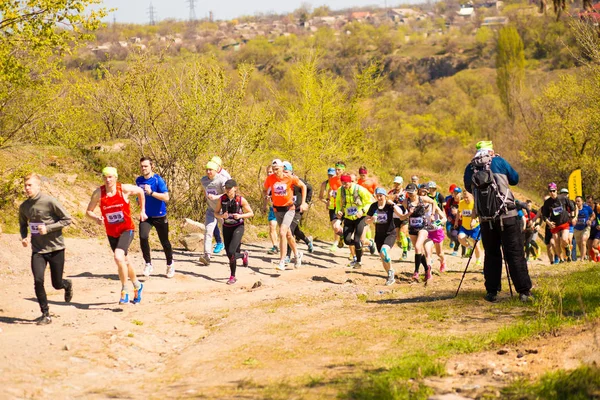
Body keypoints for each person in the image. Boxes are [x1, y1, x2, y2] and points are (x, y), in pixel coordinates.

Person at [463, 140, 533, 303]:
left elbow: (468, 187)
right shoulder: (499, 161)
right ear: (491, 151)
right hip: (507, 215)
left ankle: (492, 292)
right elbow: (515, 179)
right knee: (515, 253)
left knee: (491, 255)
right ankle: (524, 292)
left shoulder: (470, 168)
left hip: (486, 219)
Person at [86, 167, 147, 305]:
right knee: (124, 261)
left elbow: (140, 191)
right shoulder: (98, 193)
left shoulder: (123, 189)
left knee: (118, 256)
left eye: (110, 177)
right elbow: (88, 211)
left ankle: (125, 290)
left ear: (116, 177)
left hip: (126, 229)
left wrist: (143, 211)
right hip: (111, 232)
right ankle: (137, 285)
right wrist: (96, 218)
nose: (108, 180)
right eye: (105, 177)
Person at [19, 173, 73, 325]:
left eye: (30, 185)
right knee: (38, 280)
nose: (27, 188)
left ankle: (66, 284)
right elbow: (23, 225)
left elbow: (67, 219)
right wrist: (24, 237)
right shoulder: (24, 206)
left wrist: (48, 228)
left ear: (38, 186)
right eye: (25, 185)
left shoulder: (49, 201)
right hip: (38, 250)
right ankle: (45, 314)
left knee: (56, 284)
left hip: (56, 248)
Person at [264, 159, 308, 271]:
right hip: (277, 210)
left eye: (277, 169)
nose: (275, 171)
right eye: (273, 169)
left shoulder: (290, 178)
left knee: (282, 232)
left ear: (282, 168)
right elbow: (265, 189)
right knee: (288, 235)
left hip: (289, 209)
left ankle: (282, 261)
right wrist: (267, 197)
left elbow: (304, 186)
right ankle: (297, 254)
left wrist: (303, 202)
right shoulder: (270, 178)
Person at [136, 157, 174, 278]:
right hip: (146, 215)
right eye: (142, 166)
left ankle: (170, 265)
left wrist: (151, 193)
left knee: (165, 242)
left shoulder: (158, 180)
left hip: (159, 215)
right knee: (143, 237)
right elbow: (138, 195)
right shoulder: (139, 180)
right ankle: (148, 264)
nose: (143, 168)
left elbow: (166, 197)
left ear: (152, 166)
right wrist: (139, 201)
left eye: (146, 166)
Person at [400, 183, 443, 282]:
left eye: (412, 192)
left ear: (416, 191)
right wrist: (409, 213)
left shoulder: (422, 199)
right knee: (419, 252)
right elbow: (403, 216)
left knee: (418, 247)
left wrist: (432, 214)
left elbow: (433, 202)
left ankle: (416, 271)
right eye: (408, 193)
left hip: (423, 227)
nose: (410, 194)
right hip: (412, 228)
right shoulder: (406, 202)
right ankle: (427, 269)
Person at [214, 179, 253, 285]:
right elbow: (215, 213)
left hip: (238, 227)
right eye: (226, 188)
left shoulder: (240, 200)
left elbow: (251, 213)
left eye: (229, 188)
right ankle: (243, 255)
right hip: (226, 227)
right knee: (228, 254)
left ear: (235, 188)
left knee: (231, 251)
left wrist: (240, 215)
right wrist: (221, 216)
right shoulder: (222, 199)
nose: (227, 190)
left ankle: (232, 276)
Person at [335, 173, 374, 269]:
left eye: (346, 183)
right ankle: (362, 245)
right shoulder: (341, 190)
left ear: (350, 182)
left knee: (357, 240)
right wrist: (338, 211)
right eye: (342, 183)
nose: (344, 185)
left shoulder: (360, 189)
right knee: (347, 241)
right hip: (348, 217)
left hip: (360, 217)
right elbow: (338, 202)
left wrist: (363, 211)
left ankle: (358, 261)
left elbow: (371, 202)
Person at [366, 187, 404, 285]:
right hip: (379, 235)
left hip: (390, 233)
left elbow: (401, 214)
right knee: (382, 257)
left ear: (385, 196)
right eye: (377, 196)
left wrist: (393, 204)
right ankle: (390, 275)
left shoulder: (389, 206)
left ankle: (391, 270)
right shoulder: (373, 206)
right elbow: (366, 220)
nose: (379, 198)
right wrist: (371, 220)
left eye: (381, 196)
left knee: (384, 251)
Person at [198, 161, 228, 266]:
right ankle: (207, 256)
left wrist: (216, 197)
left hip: (223, 210)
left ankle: (232, 253)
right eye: (207, 169)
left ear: (216, 170)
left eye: (210, 170)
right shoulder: (204, 180)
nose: (208, 172)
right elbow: (204, 191)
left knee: (227, 232)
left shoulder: (222, 180)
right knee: (208, 231)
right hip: (211, 210)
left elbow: (228, 194)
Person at [283, 162, 314, 263]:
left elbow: (309, 188)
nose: (284, 174)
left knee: (289, 230)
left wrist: (306, 202)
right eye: (283, 172)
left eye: (286, 172)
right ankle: (307, 241)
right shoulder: (282, 181)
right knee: (295, 230)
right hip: (287, 209)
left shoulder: (297, 180)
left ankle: (288, 256)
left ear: (291, 171)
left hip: (297, 209)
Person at [541, 183, 575, 263]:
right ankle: (561, 259)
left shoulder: (563, 198)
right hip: (554, 224)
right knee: (556, 241)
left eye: (554, 191)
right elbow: (544, 216)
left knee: (564, 239)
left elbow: (572, 207)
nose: (552, 193)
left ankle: (567, 248)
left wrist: (572, 217)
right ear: (549, 192)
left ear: (556, 190)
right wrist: (549, 223)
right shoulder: (547, 202)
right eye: (550, 191)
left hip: (564, 222)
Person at [210, 156, 230, 255]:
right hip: (213, 201)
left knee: (224, 222)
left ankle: (228, 242)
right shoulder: (211, 173)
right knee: (212, 221)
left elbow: (229, 190)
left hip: (224, 201)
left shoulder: (224, 175)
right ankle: (219, 241)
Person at [456, 191, 482, 267]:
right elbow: (459, 211)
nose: (465, 199)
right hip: (464, 226)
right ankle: (469, 248)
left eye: (467, 197)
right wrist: (456, 221)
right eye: (464, 197)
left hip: (475, 227)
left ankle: (478, 260)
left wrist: (476, 220)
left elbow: (480, 214)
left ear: (472, 196)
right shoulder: (461, 203)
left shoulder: (475, 203)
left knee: (476, 244)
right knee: (460, 238)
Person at [388, 176, 410, 260]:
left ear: (401, 184)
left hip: (404, 215)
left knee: (402, 233)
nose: (396, 185)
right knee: (397, 237)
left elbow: (410, 201)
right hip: (394, 216)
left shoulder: (406, 193)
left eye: (398, 184)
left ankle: (404, 252)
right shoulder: (391, 192)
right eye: (395, 183)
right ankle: (407, 240)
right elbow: (387, 199)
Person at [327, 162, 346, 252]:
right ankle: (341, 237)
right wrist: (328, 198)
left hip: (344, 207)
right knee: (335, 227)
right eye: (336, 169)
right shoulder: (332, 179)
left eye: (339, 170)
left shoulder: (345, 180)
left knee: (343, 226)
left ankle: (352, 250)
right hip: (334, 206)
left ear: (343, 170)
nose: (337, 171)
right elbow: (331, 189)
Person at [264, 164, 280, 255]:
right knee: (272, 226)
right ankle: (275, 246)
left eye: (271, 171)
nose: (270, 173)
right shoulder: (268, 183)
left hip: (282, 208)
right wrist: (264, 205)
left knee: (284, 230)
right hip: (272, 208)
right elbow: (265, 195)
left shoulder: (280, 181)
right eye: (268, 172)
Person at [573, 196, 593, 261]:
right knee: (579, 244)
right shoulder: (573, 209)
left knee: (583, 241)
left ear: (582, 202)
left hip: (585, 228)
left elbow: (593, 215)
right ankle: (584, 255)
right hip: (577, 229)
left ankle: (582, 259)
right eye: (576, 201)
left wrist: (590, 220)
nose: (577, 202)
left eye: (578, 201)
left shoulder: (587, 208)